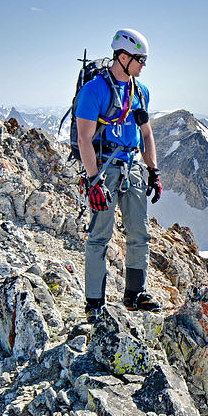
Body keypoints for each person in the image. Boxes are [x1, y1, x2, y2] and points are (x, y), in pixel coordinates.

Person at [76, 28, 162, 313]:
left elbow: (146, 134)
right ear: (122, 56)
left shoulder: (140, 92)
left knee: (139, 232)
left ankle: (135, 294)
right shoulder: (94, 90)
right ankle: (94, 303)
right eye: (139, 58)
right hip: (104, 168)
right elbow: (84, 138)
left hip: (132, 168)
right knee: (100, 234)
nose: (143, 65)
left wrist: (153, 171)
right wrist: (93, 181)